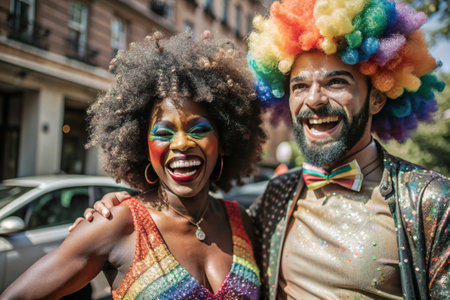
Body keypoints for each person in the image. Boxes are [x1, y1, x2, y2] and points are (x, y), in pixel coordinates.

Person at [0, 32, 265, 300]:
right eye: (163, 133)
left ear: (224, 142)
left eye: (199, 129)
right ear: (143, 148)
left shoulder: (241, 220)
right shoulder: (117, 224)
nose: (182, 143)